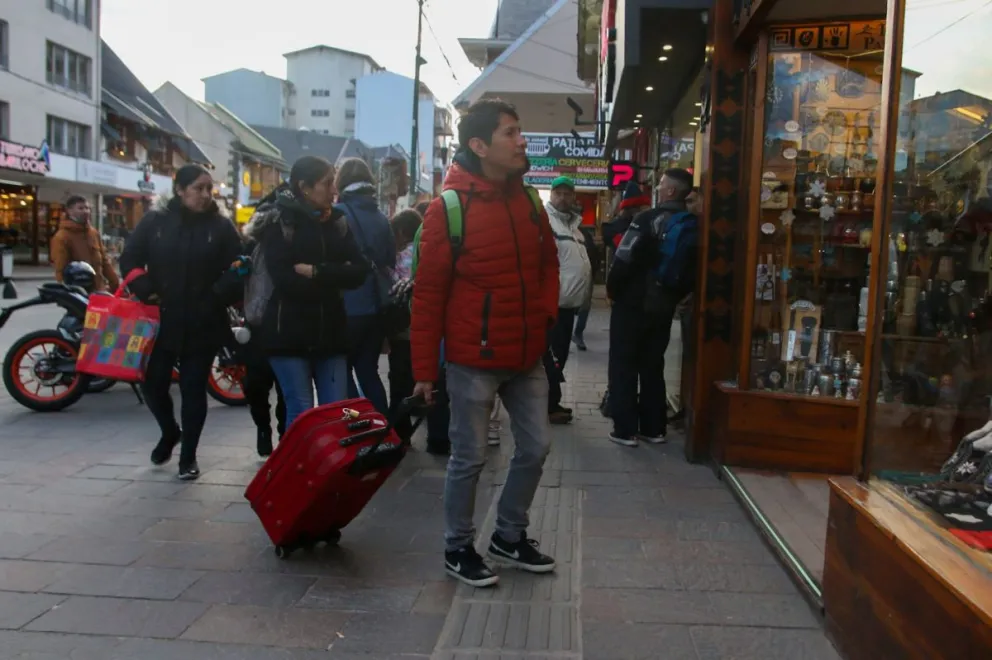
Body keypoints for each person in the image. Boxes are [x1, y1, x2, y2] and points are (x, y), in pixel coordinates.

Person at [411, 99, 560, 588]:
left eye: (520, 131)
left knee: (536, 447)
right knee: (469, 456)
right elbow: (428, 298)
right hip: (473, 359)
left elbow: (548, 264)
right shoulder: (446, 210)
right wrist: (424, 374)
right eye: (511, 133)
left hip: (526, 353)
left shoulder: (529, 200)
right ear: (479, 145)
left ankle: (509, 535)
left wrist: (544, 315)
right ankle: (458, 546)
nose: (522, 141)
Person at [119, 164, 243, 480]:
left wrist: (219, 293)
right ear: (179, 190)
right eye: (198, 188)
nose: (205, 195)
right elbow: (130, 259)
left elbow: (240, 266)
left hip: (204, 320)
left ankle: (188, 456)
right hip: (161, 320)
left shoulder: (221, 227)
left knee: (192, 388)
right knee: (153, 384)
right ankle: (169, 432)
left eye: (208, 189)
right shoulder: (155, 222)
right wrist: (145, 288)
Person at [245, 156, 370, 427]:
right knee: (300, 410)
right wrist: (337, 277)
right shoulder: (279, 222)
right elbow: (285, 280)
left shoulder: (337, 222)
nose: (334, 191)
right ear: (305, 186)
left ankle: (329, 468)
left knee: (335, 410)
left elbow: (360, 270)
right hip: (287, 333)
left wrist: (317, 272)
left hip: (331, 332)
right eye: (327, 184)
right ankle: (299, 468)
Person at [606, 168, 698, 448]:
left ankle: (624, 430)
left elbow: (624, 259)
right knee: (652, 365)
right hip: (663, 307)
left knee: (623, 365)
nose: (657, 188)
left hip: (632, 304)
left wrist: (612, 290)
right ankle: (654, 427)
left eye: (661, 184)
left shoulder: (647, 219)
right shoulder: (693, 224)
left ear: (671, 191)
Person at [335, 158, 395, 414]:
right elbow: (390, 259)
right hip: (376, 305)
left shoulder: (338, 214)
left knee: (342, 370)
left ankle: (357, 424)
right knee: (368, 371)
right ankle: (382, 426)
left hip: (346, 305)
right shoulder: (381, 218)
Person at [543, 176, 592, 424]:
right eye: (558, 193)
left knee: (558, 356)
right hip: (552, 306)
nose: (563, 198)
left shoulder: (574, 228)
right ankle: (548, 406)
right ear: (551, 195)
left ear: (574, 197)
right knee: (551, 357)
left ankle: (551, 403)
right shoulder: (547, 223)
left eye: (567, 194)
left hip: (569, 306)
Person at [668, 186, 704, 426]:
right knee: (690, 358)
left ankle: (692, 410)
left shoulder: (699, 230)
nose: (688, 206)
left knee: (695, 357)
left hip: (697, 302)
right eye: (687, 201)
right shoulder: (692, 228)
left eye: (692, 201)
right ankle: (687, 407)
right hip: (689, 302)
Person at [386, 208, 422, 443]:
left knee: (399, 379)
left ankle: (400, 431)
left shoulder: (398, 258)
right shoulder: (423, 253)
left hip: (402, 328)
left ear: (400, 232)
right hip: (423, 327)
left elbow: (392, 288)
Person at [51, 195, 120, 292]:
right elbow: (61, 270)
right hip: (79, 294)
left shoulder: (93, 233)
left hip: (99, 291)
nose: (85, 211)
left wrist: (115, 283)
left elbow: (104, 261)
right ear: (69, 211)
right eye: (80, 208)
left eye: (87, 208)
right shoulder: (62, 237)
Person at [571, 222, 601, 351]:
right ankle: (575, 333)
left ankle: (577, 333)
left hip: (584, 274)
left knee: (584, 306)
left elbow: (594, 254)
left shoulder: (583, 234)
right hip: (573, 275)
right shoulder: (581, 234)